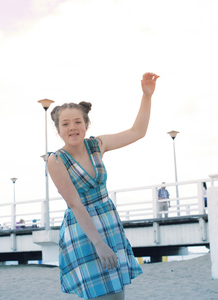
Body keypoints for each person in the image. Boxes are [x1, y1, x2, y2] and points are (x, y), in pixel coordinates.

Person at [47, 72, 159, 299]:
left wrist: (146, 95)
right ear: (58, 130)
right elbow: (75, 204)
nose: (72, 127)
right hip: (83, 230)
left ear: (86, 124)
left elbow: (137, 132)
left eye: (78, 121)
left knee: (117, 293)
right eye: (65, 124)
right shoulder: (56, 160)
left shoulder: (97, 145)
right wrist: (98, 243)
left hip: (109, 221)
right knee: (100, 295)